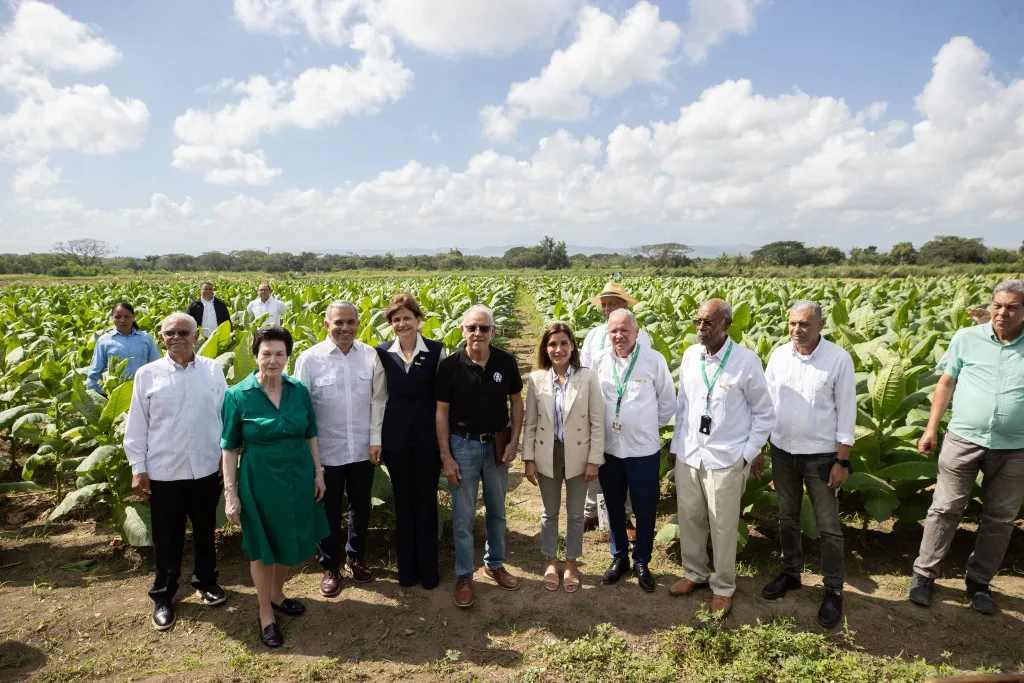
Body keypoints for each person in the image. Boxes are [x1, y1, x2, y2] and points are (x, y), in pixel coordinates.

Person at [908, 279, 1024, 615]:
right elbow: (946, 382)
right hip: (963, 437)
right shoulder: (967, 338)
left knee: (1001, 518)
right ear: (990, 306)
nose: (1002, 312)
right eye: (997, 305)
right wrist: (931, 428)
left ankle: (978, 583)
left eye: (1012, 307)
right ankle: (924, 575)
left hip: (1016, 446)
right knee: (944, 508)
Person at [220, 326, 329, 648]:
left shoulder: (298, 390)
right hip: (260, 480)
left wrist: (318, 473)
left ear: (287, 357)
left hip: (297, 475)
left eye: (279, 354)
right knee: (262, 545)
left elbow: (310, 432)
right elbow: (229, 447)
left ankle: (279, 594)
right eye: (266, 353)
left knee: (288, 536)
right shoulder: (237, 395)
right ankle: (265, 612)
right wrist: (231, 494)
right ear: (255, 356)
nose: (272, 360)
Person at [668, 299, 774, 617]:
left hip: (726, 457)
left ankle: (723, 586)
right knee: (689, 517)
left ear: (726, 324)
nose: (701, 328)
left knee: (724, 525)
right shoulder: (690, 356)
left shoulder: (745, 361)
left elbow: (764, 413)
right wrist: (675, 445)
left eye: (708, 323)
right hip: (690, 453)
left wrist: (747, 455)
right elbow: (683, 404)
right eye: (698, 321)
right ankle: (694, 574)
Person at [123, 312, 228, 631]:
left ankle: (206, 582)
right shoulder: (147, 374)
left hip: (207, 468)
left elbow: (225, 416)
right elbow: (136, 424)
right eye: (170, 333)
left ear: (197, 336)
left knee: (206, 531)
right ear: (161, 337)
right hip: (165, 472)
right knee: (167, 538)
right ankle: (164, 596)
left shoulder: (213, 370)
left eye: (184, 332)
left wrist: (227, 458)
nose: (177, 337)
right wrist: (138, 468)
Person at [761, 300, 855, 629]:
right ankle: (791, 574)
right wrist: (761, 446)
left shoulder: (838, 360)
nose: (797, 330)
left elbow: (846, 412)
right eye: (792, 324)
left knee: (828, 526)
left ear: (821, 325)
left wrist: (842, 460)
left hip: (821, 456)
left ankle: (833, 589)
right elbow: (766, 404)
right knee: (787, 517)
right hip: (784, 451)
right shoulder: (778, 356)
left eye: (804, 324)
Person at [294, 301, 386, 596]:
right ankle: (330, 565)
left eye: (351, 322)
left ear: (358, 324)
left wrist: (375, 440)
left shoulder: (370, 356)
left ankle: (356, 558)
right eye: (338, 322)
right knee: (328, 510)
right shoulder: (309, 360)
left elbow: (378, 401)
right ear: (327, 325)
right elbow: (301, 409)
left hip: (362, 449)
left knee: (361, 506)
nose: (345, 328)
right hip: (326, 451)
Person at [436, 305, 524, 608]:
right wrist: (446, 456)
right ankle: (464, 575)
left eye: (484, 328)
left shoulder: (505, 362)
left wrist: (514, 441)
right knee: (462, 517)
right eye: (472, 328)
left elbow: (516, 401)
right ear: (463, 330)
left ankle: (494, 564)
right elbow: (441, 413)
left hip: (496, 446)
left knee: (497, 510)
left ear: (493, 332)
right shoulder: (448, 367)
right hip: (463, 446)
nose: (478, 333)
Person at [591, 309, 675, 593]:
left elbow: (667, 403)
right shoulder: (598, 361)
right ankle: (619, 557)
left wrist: (644, 425)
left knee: (645, 507)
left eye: (624, 330)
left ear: (637, 332)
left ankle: (642, 560)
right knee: (614, 505)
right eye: (613, 330)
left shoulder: (653, 360)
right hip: (609, 450)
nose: (619, 336)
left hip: (643, 450)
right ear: (608, 333)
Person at [522, 322, 604, 593]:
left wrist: (594, 459)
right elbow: (530, 423)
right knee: (549, 512)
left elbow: (596, 422)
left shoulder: (587, 377)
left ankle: (571, 563)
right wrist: (528, 458)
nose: (558, 349)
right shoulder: (536, 379)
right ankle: (550, 561)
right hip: (548, 451)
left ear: (572, 347)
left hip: (579, 452)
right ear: (545, 349)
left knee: (576, 513)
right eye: (552, 344)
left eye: (564, 343)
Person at [375, 293, 446, 589]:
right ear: (390, 325)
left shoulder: (436, 351)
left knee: (426, 502)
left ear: (418, 321)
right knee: (404, 503)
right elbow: (379, 399)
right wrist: (374, 439)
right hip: (396, 441)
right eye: (395, 320)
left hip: (428, 440)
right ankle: (407, 571)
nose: (401, 324)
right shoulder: (381, 353)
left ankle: (429, 572)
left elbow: (444, 401)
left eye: (406, 318)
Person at [579, 282, 651, 538]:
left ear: (624, 305)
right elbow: (584, 371)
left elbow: (647, 371)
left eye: (612, 303)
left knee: (626, 463)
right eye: (604, 304)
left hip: (629, 412)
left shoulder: (640, 335)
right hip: (599, 409)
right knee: (595, 461)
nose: (607, 308)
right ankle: (591, 511)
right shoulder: (593, 335)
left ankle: (624, 516)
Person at [87, 302, 161, 394]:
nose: (122, 320)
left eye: (127, 316)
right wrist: (98, 395)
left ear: (133, 318)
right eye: (118, 317)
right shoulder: (104, 341)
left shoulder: (145, 338)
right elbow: (95, 371)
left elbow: (156, 365)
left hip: (142, 391)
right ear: (112, 318)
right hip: (115, 394)